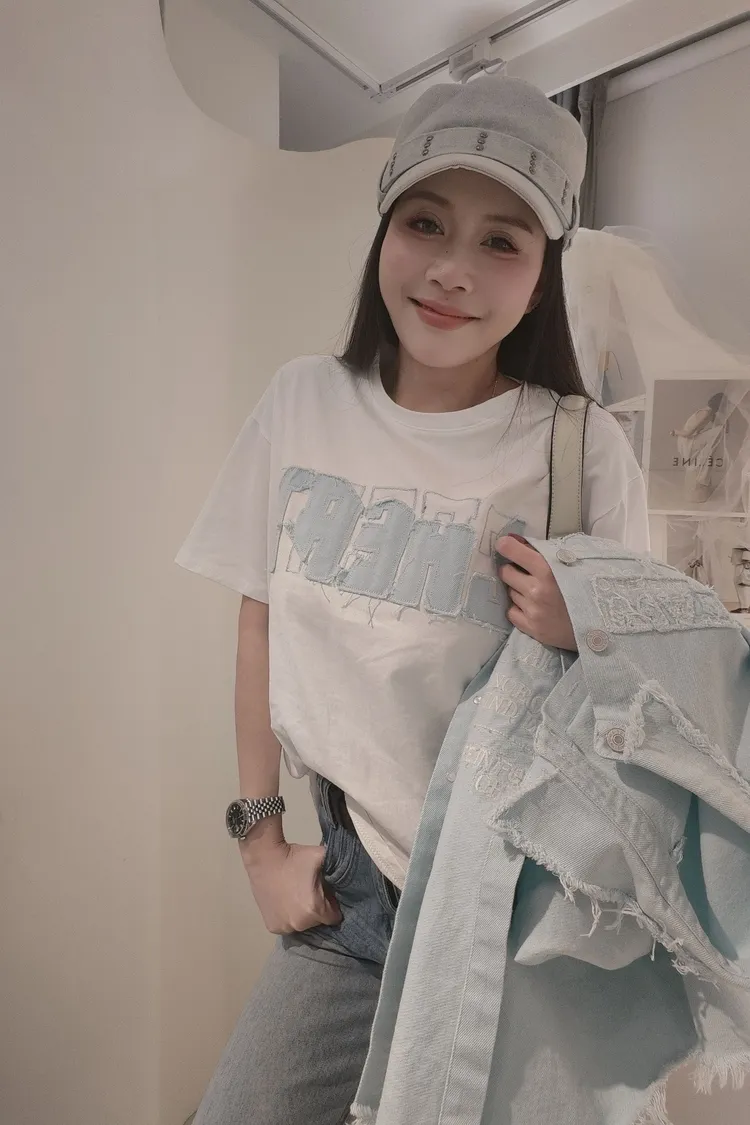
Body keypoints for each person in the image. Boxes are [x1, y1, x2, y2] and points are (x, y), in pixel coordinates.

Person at [175, 75, 650, 1125]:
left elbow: (646, 700)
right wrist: (260, 842)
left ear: (542, 276)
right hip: (351, 894)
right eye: (425, 222)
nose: (451, 269)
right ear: (384, 229)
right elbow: (260, 622)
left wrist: (586, 626)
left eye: (500, 241)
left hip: (519, 904)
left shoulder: (579, 448)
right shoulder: (304, 400)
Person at [670, 392, 730, 504]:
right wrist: (675, 432)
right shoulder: (705, 413)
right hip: (687, 442)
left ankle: (706, 455)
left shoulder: (711, 414)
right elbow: (688, 433)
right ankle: (701, 477)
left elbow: (725, 428)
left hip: (692, 439)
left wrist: (725, 417)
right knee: (718, 431)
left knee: (719, 431)